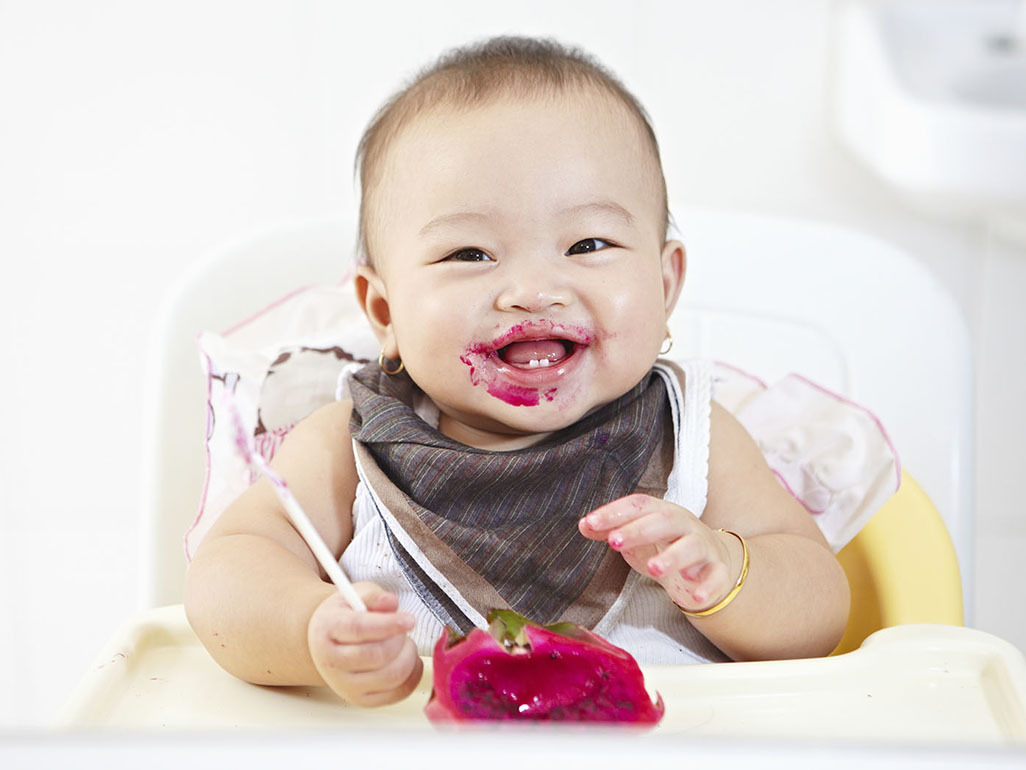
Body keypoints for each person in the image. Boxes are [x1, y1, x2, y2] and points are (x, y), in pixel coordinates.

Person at [184, 36, 850, 708]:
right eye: (470, 253)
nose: (533, 290)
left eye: (588, 244)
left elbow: (819, 611)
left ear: (666, 281)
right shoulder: (347, 449)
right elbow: (226, 578)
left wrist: (726, 571)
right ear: (384, 310)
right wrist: (307, 628)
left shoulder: (692, 437)